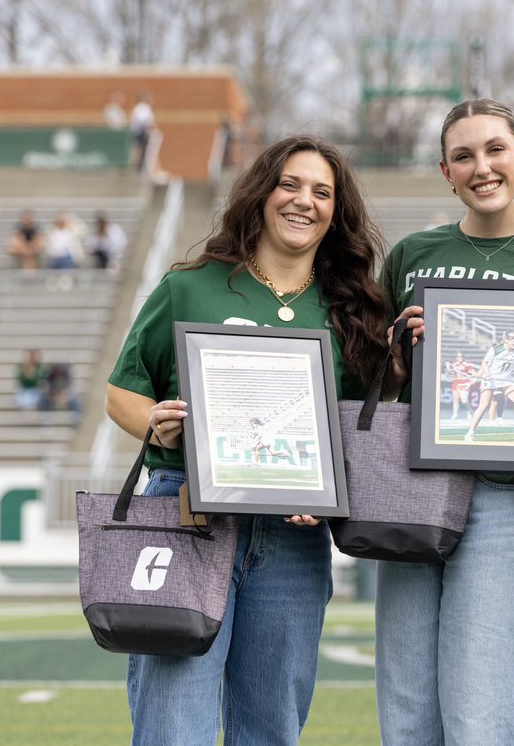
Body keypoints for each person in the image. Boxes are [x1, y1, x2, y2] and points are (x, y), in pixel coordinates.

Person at [104, 135, 389, 746]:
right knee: (172, 725)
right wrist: (159, 420)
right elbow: (120, 395)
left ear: (336, 212)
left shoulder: (351, 309)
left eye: (322, 192)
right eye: (290, 184)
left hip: (293, 539)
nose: (303, 201)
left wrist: (330, 482)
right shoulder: (192, 287)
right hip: (188, 515)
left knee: (272, 729)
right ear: (262, 193)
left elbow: (358, 431)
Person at [376, 98, 514, 746]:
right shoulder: (412, 257)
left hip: (505, 499)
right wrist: (396, 351)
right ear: (446, 172)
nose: (483, 166)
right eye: (464, 156)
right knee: (409, 721)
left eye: (495, 149)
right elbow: (382, 386)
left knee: (484, 724)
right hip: (414, 493)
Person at [465, 330, 514, 443]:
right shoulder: (496, 349)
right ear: (505, 340)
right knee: (483, 406)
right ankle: (470, 433)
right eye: (511, 338)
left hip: (506, 380)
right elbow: (484, 363)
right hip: (491, 379)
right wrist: (487, 374)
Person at [129, 92, 155, 170]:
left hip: (140, 131)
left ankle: (140, 164)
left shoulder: (139, 107)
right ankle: (139, 165)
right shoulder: (143, 107)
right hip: (141, 131)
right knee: (140, 148)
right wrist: (148, 126)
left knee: (139, 148)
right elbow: (142, 119)